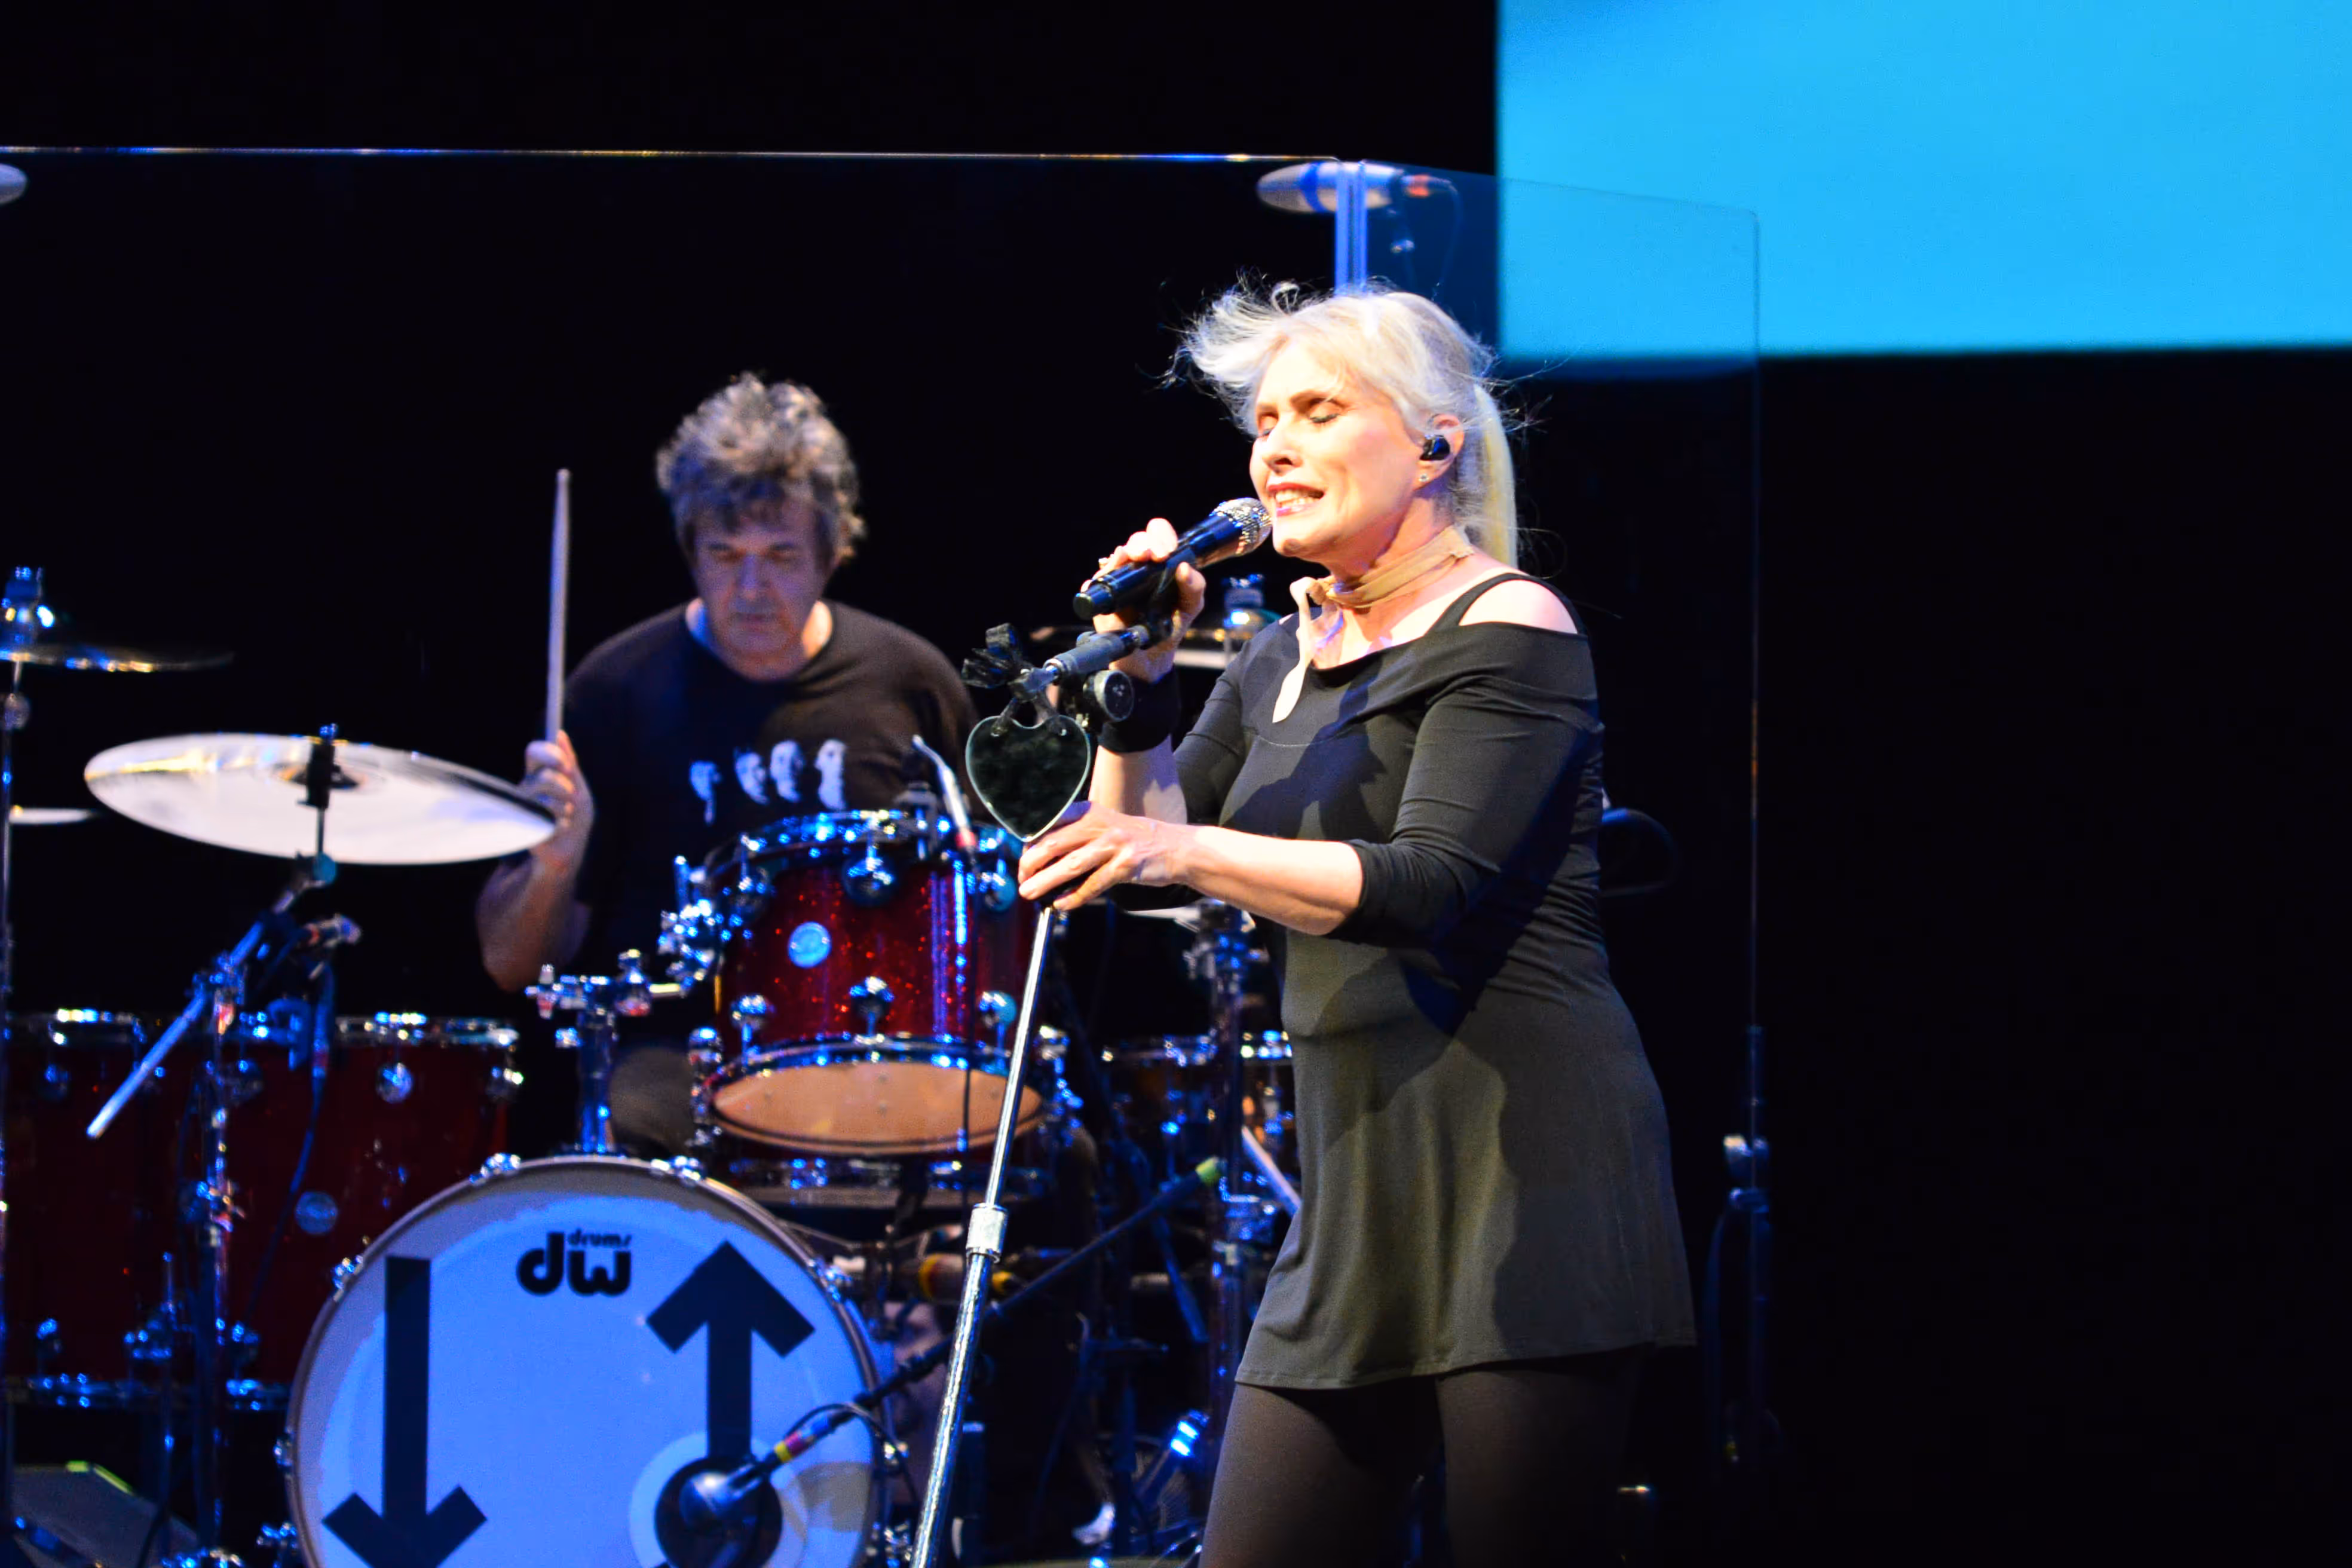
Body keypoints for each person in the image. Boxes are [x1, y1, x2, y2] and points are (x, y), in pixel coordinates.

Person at [1015, 284, 1693, 1566]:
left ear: (1436, 441)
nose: (1273, 446)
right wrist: (1139, 695)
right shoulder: (1280, 650)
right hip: (1355, 1186)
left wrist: (1177, 842)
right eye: (1264, 419)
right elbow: (1150, 850)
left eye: (1319, 411)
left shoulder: (1512, 626)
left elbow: (1428, 880)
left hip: (1524, 1172)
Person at [477, 373, 979, 1152]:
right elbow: (511, 966)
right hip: (675, 1053)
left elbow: (979, 911)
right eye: (724, 554)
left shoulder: (910, 683)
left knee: (1055, 1161)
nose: (750, 588)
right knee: (623, 1126)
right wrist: (551, 864)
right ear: (690, 551)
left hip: (870, 1045)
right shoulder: (614, 692)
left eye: (780, 554)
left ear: (832, 553)